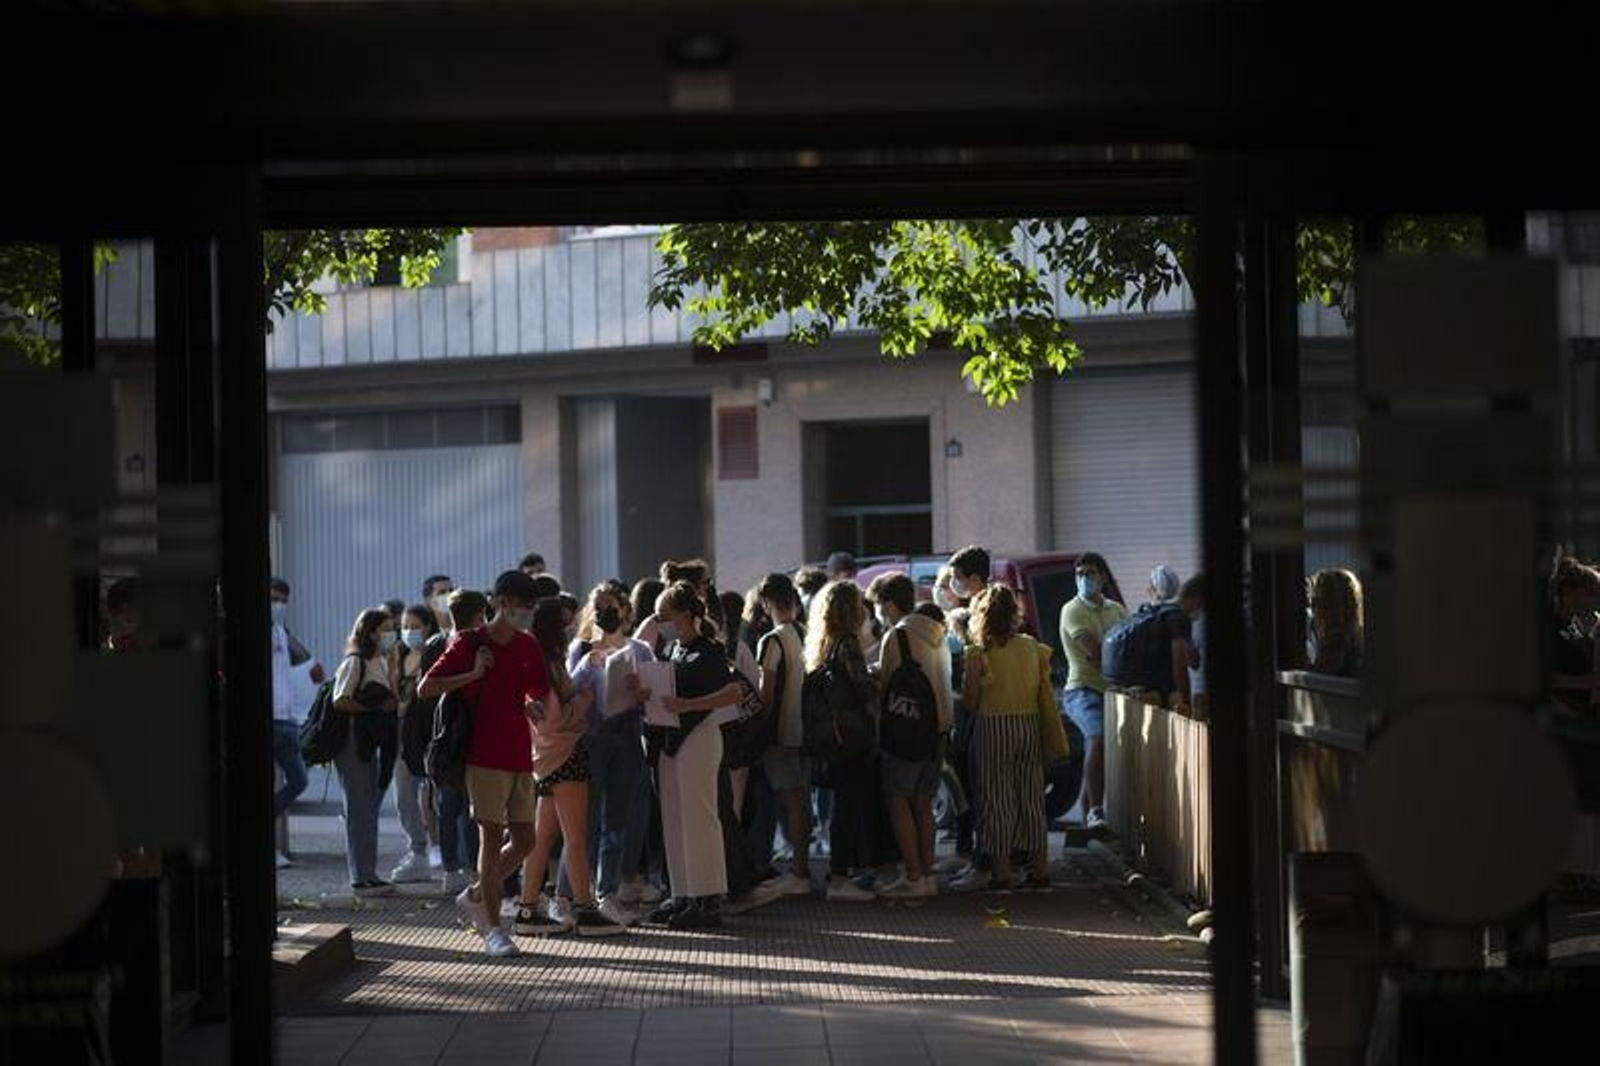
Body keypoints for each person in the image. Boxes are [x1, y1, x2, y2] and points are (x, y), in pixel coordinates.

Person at [419, 570, 553, 959]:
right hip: (482, 757)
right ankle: (494, 929)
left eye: (531, 607)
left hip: (520, 755)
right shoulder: (469, 642)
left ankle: (477, 894)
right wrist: (473, 674)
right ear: (501, 602)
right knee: (491, 838)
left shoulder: (527, 645)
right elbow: (427, 687)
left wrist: (532, 704)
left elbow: (537, 689)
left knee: (526, 840)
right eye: (523, 606)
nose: (527, 614)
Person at [512, 600, 627, 937]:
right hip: (564, 754)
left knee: (542, 838)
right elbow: (555, 718)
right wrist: (584, 700)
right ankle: (585, 909)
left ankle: (527, 909)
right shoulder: (547, 666)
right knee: (576, 837)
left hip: (545, 758)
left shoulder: (535, 662)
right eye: (565, 624)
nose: (572, 629)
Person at [642, 580, 741, 930]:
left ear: (684, 615)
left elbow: (732, 693)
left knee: (700, 817)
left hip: (699, 736)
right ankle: (682, 892)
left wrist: (689, 704)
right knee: (674, 818)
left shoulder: (709, 650)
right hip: (670, 739)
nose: (660, 622)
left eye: (664, 615)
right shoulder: (671, 649)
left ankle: (708, 897)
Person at [559, 584, 659, 920]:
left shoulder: (640, 650)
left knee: (617, 822)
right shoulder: (581, 648)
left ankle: (607, 892)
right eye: (599, 607)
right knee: (583, 822)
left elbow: (654, 695)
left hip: (628, 738)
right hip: (591, 740)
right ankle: (573, 895)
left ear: (625, 610)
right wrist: (587, 664)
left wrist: (641, 692)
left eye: (612, 606)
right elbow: (568, 691)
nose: (606, 613)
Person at [961, 585, 1064, 893]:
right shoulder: (1032, 647)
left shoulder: (978, 652)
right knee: (1031, 798)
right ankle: (1039, 872)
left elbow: (970, 700)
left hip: (992, 727)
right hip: (1028, 725)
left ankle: (1002, 874)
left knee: (996, 800)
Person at [870, 572, 953, 899]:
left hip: (907, 729)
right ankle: (928, 875)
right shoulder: (938, 633)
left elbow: (888, 688)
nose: (879, 613)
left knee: (898, 799)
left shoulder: (898, 636)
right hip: (938, 729)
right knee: (923, 802)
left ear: (889, 604)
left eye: (880, 605)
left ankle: (913, 875)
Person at [807, 580, 884, 902]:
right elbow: (863, 690)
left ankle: (843, 872)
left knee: (843, 805)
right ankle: (839, 878)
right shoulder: (849, 643)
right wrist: (877, 681)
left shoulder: (823, 643)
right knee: (848, 807)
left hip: (833, 736)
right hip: (853, 735)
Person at [331, 607, 401, 898]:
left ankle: (368, 874)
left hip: (369, 742)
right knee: (359, 809)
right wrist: (371, 708)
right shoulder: (355, 661)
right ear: (371, 633)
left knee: (368, 808)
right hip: (352, 741)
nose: (392, 634)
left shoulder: (380, 661)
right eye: (386, 629)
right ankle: (361, 878)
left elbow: (392, 697)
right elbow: (340, 699)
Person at [753, 573, 813, 896]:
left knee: (792, 802)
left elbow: (767, 693)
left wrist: (757, 727)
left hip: (781, 732)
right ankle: (800, 865)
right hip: (808, 730)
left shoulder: (772, 640)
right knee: (801, 802)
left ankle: (799, 872)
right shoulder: (807, 633)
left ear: (766, 602)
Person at [1059, 552, 1126, 833]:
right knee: (1097, 737)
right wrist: (1118, 659)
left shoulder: (1116, 610)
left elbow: (1128, 647)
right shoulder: (1072, 609)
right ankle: (1097, 809)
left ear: (1102, 578)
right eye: (1079, 574)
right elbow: (1095, 652)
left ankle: (1089, 819)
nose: (1084, 578)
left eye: (1090, 573)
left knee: (1100, 748)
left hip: (1112, 691)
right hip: (1081, 690)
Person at [427, 589, 487, 894]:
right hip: (455, 738)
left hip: (467, 737)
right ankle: (454, 868)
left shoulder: (470, 642)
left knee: (467, 810)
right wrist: (473, 675)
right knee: (452, 806)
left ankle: (470, 869)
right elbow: (426, 687)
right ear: (479, 616)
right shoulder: (460, 644)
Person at [389, 603, 441, 886]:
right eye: (405, 627)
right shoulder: (399, 656)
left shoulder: (435, 654)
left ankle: (446, 853)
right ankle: (418, 850)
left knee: (436, 796)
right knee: (403, 796)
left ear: (428, 627)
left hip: (429, 734)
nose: (408, 632)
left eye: (414, 626)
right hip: (402, 735)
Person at [266, 578, 308, 869]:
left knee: (299, 781)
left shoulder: (281, 631)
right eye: (273, 599)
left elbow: (295, 668)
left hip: (286, 720)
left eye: (283, 600)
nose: (278, 605)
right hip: (269, 720)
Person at [1551, 556, 1600, 715]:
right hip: (1571, 714)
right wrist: (1582, 682)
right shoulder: (1548, 628)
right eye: (1592, 593)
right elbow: (1539, 676)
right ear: (1568, 591)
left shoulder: (1574, 622)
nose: (1596, 601)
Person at [1177, 574, 1207, 717]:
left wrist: (1183, 642)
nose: (1182, 605)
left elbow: (1194, 662)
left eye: (1184, 600)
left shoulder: (1198, 624)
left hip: (1200, 692)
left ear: (1196, 598)